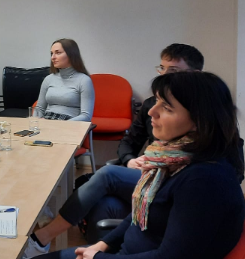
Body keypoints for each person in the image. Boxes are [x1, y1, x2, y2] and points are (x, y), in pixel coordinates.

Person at [36, 71, 245, 259]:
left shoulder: (204, 181)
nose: (151, 111)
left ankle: (40, 239)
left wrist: (98, 257)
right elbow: (141, 215)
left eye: (166, 108)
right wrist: (103, 244)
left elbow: (171, 257)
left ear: (200, 122)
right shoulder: (173, 161)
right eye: (157, 102)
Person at [23, 44, 206, 257]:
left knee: (108, 174)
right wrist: (130, 160)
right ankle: (89, 244)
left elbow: (173, 252)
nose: (152, 111)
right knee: (105, 204)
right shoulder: (158, 130)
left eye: (172, 71)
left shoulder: (199, 173)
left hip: (154, 181)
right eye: (161, 68)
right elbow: (129, 142)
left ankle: (43, 237)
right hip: (148, 178)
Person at [35, 39, 94, 122]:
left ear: (71, 55)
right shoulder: (48, 79)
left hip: (70, 123)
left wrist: (62, 125)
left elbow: (86, 116)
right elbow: (39, 109)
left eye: (58, 53)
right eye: (52, 53)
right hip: (47, 121)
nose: (53, 57)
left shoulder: (84, 80)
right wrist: (36, 122)